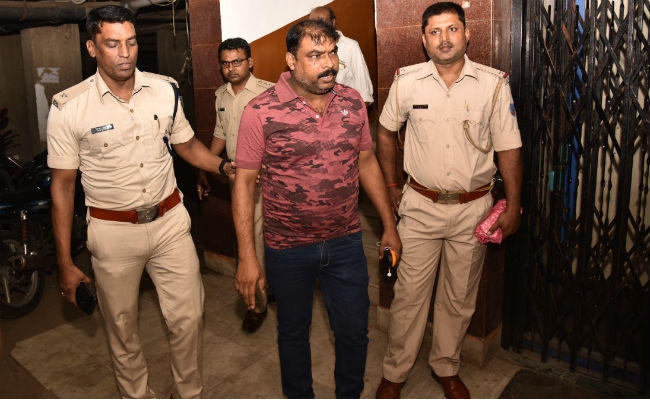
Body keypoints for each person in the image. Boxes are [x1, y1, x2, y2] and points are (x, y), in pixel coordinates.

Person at [47, 5, 227, 398]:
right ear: (92, 48)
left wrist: (223, 167)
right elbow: (62, 186)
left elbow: (187, 146)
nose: (125, 53)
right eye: (113, 44)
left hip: (170, 224)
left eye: (130, 42)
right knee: (122, 329)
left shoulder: (164, 90)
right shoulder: (69, 107)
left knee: (189, 317)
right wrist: (65, 263)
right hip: (113, 233)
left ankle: (189, 392)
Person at [231, 19, 401, 398]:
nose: (329, 64)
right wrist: (247, 256)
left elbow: (367, 162)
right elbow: (244, 184)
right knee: (293, 334)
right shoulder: (260, 111)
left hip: (346, 242)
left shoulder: (352, 102)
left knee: (354, 332)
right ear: (291, 60)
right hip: (287, 248)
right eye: (315, 55)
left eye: (332, 53)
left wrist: (389, 226)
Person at [374, 2, 523, 399]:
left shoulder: (493, 84)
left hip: (473, 209)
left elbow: (509, 148)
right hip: (419, 207)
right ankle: (395, 373)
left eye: (452, 29)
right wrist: (392, 186)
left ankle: (446, 367)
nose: (444, 38)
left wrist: (512, 204)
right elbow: (385, 132)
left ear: (467, 34)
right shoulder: (407, 81)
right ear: (424, 40)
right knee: (408, 297)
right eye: (435, 31)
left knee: (458, 299)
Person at [196, 37, 274, 333]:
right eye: (226, 63)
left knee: (267, 240)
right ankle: (257, 305)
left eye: (237, 61)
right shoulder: (221, 95)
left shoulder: (268, 93)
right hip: (236, 178)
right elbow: (220, 132)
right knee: (249, 241)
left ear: (250, 62)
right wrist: (206, 168)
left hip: (268, 179)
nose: (231, 68)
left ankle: (264, 295)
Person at [308, 6, 374, 107]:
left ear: (333, 22)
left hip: (345, 109)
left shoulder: (350, 47)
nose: (317, 27)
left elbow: (364, 91)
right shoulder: (307, 49)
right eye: (312, 23)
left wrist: (359, 114)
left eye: (322, 22)